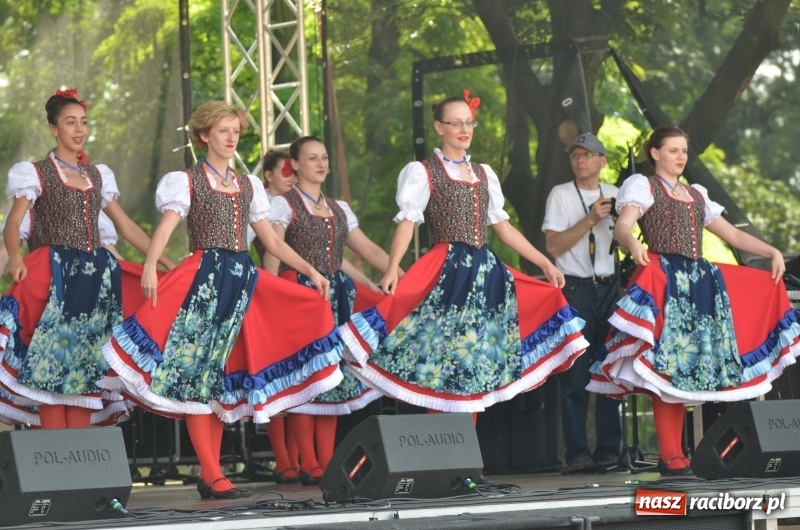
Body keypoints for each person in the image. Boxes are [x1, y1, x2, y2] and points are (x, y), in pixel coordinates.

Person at [99, 101, 345, 499]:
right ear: (204, 137)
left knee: (218, 380)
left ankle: (210, 473)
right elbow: (166, 228)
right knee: (199, 376)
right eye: (223, 131)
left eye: (235, 132)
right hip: (203, 283)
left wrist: (313, 271)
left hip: (240, 284)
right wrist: (148, 266)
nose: (231, 139)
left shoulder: (248, 185)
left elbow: (271, 242)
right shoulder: (188, 180)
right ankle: (212, 473)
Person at [339, 90, 588, 416]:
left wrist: (544, 262)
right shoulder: (423, 171)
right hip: (446, 274)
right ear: (439, 127)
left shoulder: (484, 173)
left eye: (469, 122)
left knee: (472, 365)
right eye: (455, 122)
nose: (464, 128)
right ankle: (445, 461)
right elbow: (408, 222)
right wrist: (392, 267)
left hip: (484, 275)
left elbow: (503, 228)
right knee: (443, 365)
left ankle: (466, 462)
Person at [588, 124, 800, 475]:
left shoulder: (697, 194)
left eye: (683, 151)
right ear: (655, 154)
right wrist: (635, 244)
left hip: (700, 287)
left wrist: (771, 250)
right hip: (666, 284)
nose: (681, 157)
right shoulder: (644, 186)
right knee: (667, 366)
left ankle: (677, 453)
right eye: (673, 150)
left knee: (687, 370)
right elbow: (623, 226)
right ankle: (670, 453)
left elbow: (730, 234)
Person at [0, 88, 170, 429]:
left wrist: (163, 260)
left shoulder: (97, 175)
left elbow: (125, 226)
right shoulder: (34, 173)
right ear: (54, 129)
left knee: (87, 365)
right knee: (54, 362)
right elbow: (14, 221)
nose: (79, 130)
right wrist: (16, 256)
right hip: (56, 277)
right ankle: (56, 464)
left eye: (83, 123)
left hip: (95, 277)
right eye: (70, 122)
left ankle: (77, 462)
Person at [265, 136, 391, 485]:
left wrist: (388, 275)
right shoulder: (284, 204)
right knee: (311, 375)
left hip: (336, 297)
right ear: (295, 164)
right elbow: (273, 251)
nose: (320, 164)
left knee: (333, 377)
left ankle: (325, 459)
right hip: (302, 297)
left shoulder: (339, 208)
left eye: (324, 157)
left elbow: (360, 251)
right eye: (312, 158)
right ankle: (307, 460)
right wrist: (272, 295)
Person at [542, 133, 622, 471]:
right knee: (574, 374)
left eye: (588, 155)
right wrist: (590, 219)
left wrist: (620, 221)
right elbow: (554, 247)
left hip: (611, 286)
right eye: (575, 155)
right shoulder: (560, 194)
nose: (580, 160)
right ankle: (576, 453)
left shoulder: (618, 195)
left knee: (609, 369)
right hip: (574, 289)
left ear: (603, 161)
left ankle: (609, 450)